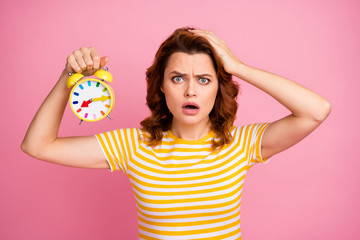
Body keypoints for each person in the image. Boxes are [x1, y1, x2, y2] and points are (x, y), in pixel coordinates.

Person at [21, 27, 331, 239]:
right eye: (179, 78)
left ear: (219, 89)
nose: (192, 90)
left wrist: (237, 66)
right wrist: (69, 77)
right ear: (162, 86)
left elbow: (316, 110)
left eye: (205, 80)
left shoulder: (241, 144)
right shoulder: (132, 145)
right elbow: (37, 146)